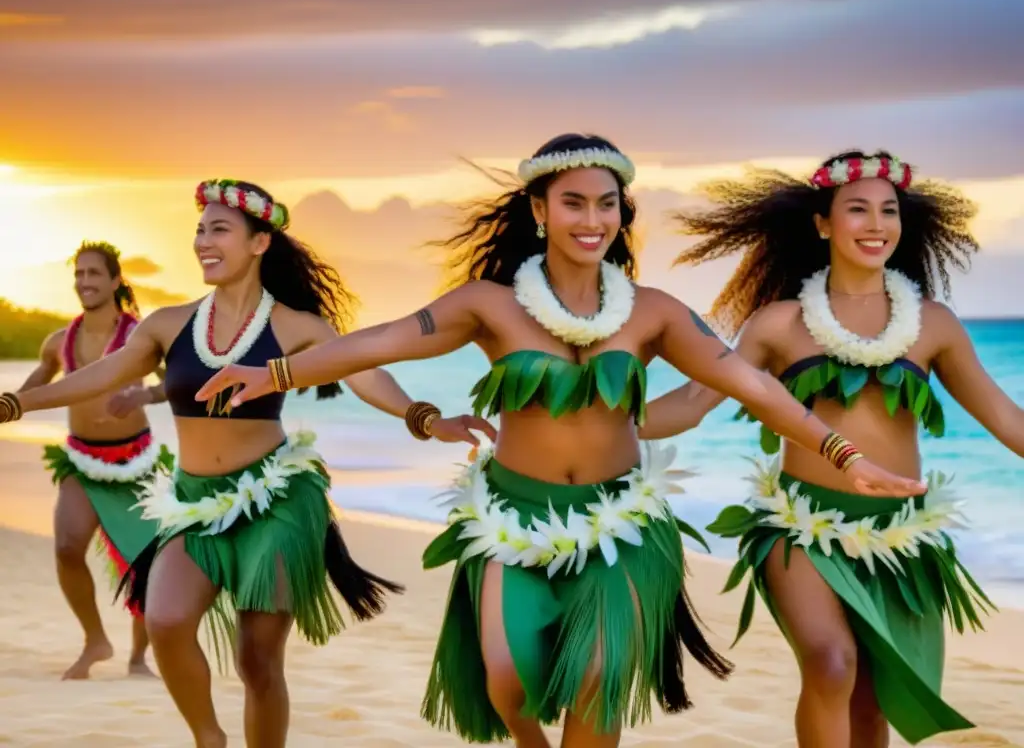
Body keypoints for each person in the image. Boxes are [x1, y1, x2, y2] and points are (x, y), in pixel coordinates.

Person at [182, 136, 925, 748]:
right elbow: (380, 342)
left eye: (607, 204)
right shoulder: (490, 306)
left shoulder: (654, 313)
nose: (591, 218)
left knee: (598, 681)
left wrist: (842, 454)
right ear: (540, 210)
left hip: (621, 525)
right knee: (508, 681)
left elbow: (752, 385)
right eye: (574, 202)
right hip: (516, 520)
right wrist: (273, 370)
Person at [0, 179, 492, 748]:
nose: (203, 241)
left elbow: (362, 369)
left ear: (260, 242)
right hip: (194, 504)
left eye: (219, 230)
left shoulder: (294, 326)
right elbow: (100, 374)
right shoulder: (169, 323)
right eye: (200, 230)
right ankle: (209, 738)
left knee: (257, 659)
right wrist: (17, 402)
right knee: (164, 619)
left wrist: (424, 417)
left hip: (275, 503)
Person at [641, 150, 1019, 747]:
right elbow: (691, 403)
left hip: (900, 536)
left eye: (888, 211)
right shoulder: (777, 325)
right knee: (830, 663)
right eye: (857, 210)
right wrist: (595, 422)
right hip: (802, 528)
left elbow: (1004, 416)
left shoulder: (933, 325)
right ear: (822, 223)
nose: (876, 224)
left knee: (872, 700)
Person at [17, 240, 169, 679]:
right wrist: (10, 405)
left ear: (116, 280)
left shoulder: (142, 336)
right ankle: (95, 640)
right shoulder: (58, 341)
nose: (84, 282)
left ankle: (139, 657)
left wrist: (144, 393)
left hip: (135, 459)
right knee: (67, 548)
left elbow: (176, 383)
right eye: (79, 274)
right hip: (81, 459)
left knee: (146, 564)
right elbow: (33, 390)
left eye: (94, 274)